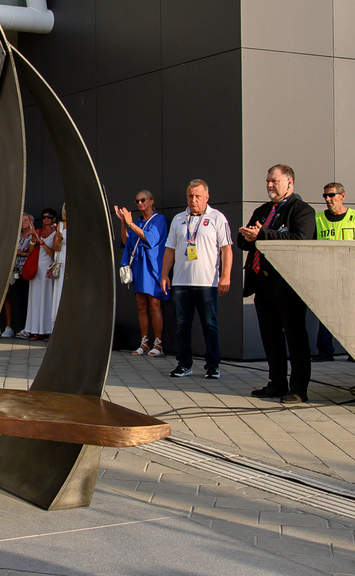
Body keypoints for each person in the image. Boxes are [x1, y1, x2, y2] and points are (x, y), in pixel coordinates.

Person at [240, 164, 317, 404]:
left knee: (295, 338)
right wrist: (247, 236)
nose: (269, 185)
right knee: (270, 338)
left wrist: (262, 234)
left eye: (274, 181)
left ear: (289, 182)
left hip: (288, 286)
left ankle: (298, 389)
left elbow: (299, 239)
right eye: (267, 181)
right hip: (263, 285)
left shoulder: (302, 210)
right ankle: (276, 383)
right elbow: (245, 241)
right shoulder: (263, 210)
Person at [161, 180, 232, 379]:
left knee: (210, 325)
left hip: (207, 283)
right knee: (182, 325)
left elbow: (226, 249)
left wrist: (225, 276)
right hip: (181, 282)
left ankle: (213, 366)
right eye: (190, 196)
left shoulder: (217, 218)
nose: (194, 200)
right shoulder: (178, 219)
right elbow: (170, 249)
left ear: (206, 197)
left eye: (198, 196)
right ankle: (184, 364)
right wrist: (165, 274)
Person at [313, 182, 355, 361]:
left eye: (332, 195)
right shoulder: (318, 219)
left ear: (342, 196)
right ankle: (325, 352)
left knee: (352, 315)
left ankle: (354, 353)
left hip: (351, 274)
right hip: (327, 274)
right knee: (326, 314)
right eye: (325, 196)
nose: (328, 199)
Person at [115, 190, 168, 357]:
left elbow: (150, 239)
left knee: (154, 305)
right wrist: (124, 223)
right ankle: (144, 342)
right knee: (141, 305)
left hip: (152, 267)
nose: (140, 203)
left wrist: (131, 224)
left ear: (151, 201)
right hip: (138, 266)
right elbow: (126, 242)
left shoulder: (159, 219)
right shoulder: (137, 221)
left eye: (143, 200)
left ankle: (158, 343)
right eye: (137, 201)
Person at [18, 208, 62, 341]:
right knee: (36, 299)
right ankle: (36, 330)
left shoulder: (56, 233)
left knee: (48, 298)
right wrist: (33, 238)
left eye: (49, 216)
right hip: (36, 268)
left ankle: (49, 330)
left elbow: (53, 253)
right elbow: (31, 250)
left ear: (54, 219)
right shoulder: (38, 231)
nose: (46, 219)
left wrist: (42, 243)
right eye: (44, 217)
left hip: (48, 268)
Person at [0, 213, 34, 339]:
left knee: (27, 299)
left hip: (29, 270)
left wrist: (21, 253)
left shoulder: (33, 236)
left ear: (31, 222)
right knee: (17, 299)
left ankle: (28, 329)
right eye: (21, 220)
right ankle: (18, 328)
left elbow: (32, 253)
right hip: (16, 270)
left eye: (26, 220)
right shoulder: (18, 236)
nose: (23, 222)